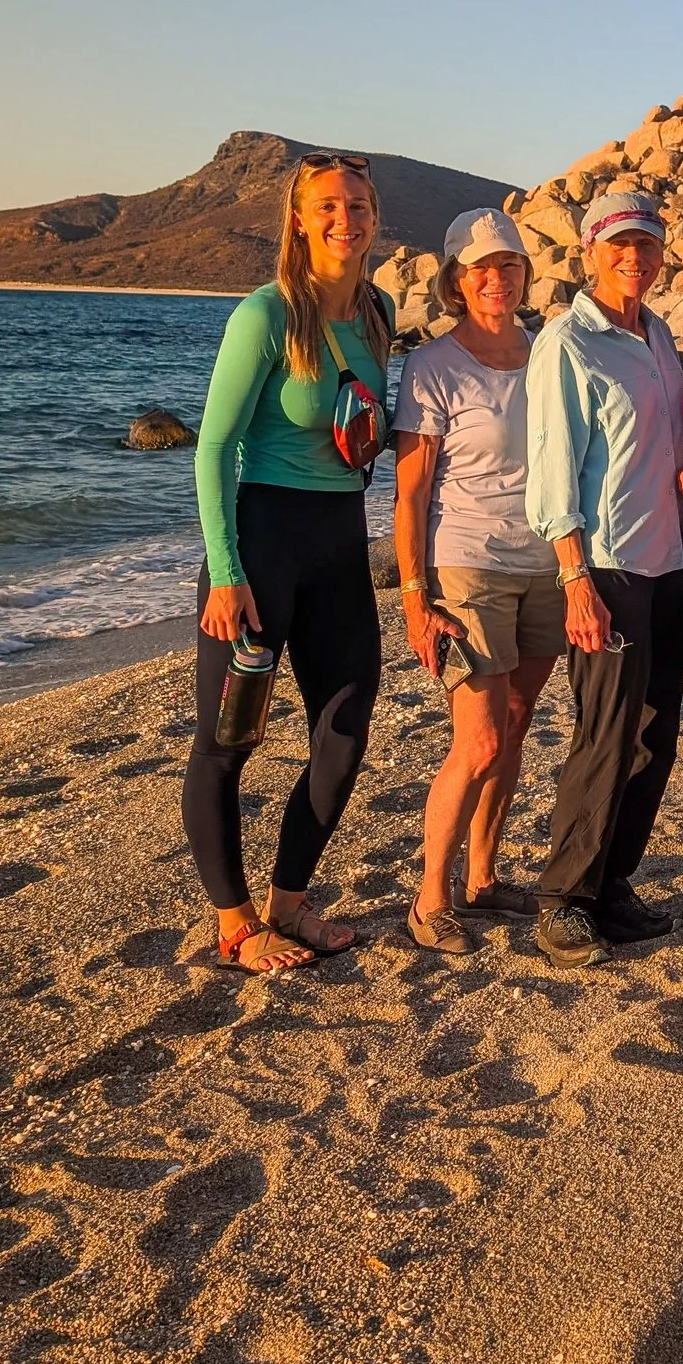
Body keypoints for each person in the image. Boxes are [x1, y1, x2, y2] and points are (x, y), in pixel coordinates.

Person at [188, 151, 391, 971]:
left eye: (360, 203)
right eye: (329, 205)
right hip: (263, 545)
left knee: (344, 729)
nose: (347, 217)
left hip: (341, 545)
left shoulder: (376, 312)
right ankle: (234, 922)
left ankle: (291, 901)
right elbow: (212, 448)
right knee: (228, 740)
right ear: (300, 219)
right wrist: (226, 572)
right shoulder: (266, 315)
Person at [525, 188, 683, 968]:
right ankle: (564, 899)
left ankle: (613, 884)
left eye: (648, 245)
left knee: (653, 735)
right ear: (590, 251)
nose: (636, 259)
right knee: (603, 736)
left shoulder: (657, 334)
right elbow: (554, 472)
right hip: (609, 567)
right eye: (620, 245)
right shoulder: (568, 342)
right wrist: (573, 579)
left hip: (670, 563)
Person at [391, 208, 563, 954]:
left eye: (509, 266)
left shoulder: (549, 352)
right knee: (481, 736)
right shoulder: (434, 365)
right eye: (480, 268)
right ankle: (430, 898)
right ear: (458, 281)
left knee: (517, 724)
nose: (497, 279)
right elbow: (410, 493)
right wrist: (413, 597)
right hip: (467, 564)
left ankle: (483, 879)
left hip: (545, 565)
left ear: (526, 275)